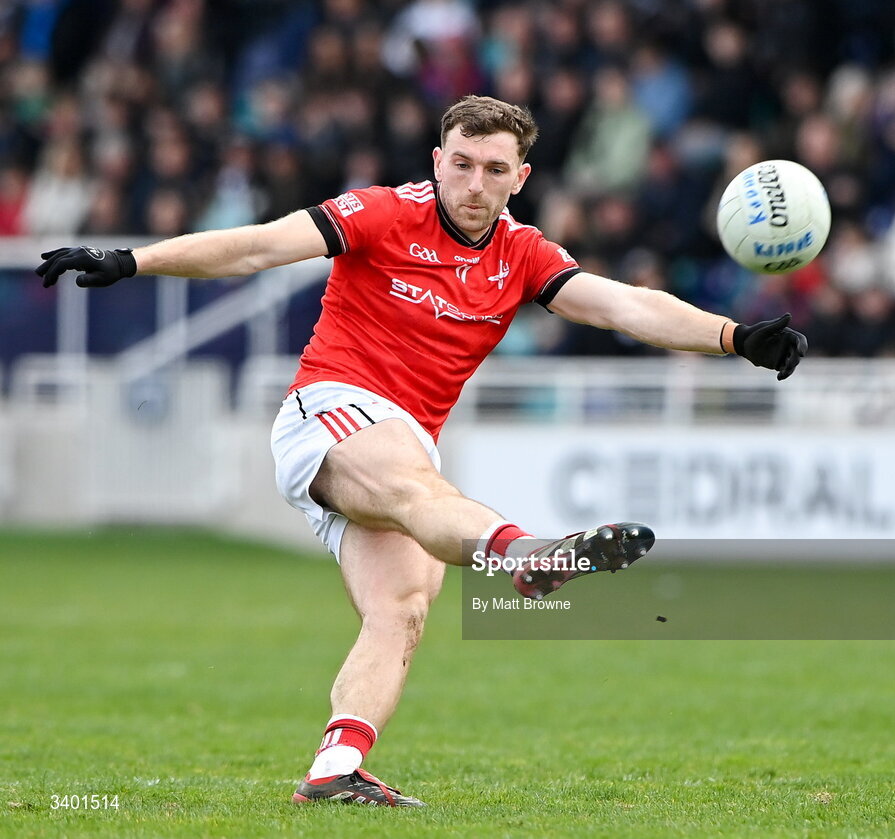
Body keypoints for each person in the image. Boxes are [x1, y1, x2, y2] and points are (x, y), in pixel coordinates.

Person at [36, 95, 807, 807]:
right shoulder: (379, 213)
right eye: (462, 163)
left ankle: (336, 765)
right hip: (330, 411)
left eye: (494, 169)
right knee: (417, 492)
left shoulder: (523, 253)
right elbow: (258, 248)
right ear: (438, 160)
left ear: (521, 178)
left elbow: (626, 305)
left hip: (404, 439)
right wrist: (133, 260)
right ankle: (526, 555)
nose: (475, 182)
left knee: (401, 609)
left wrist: (734, 335)